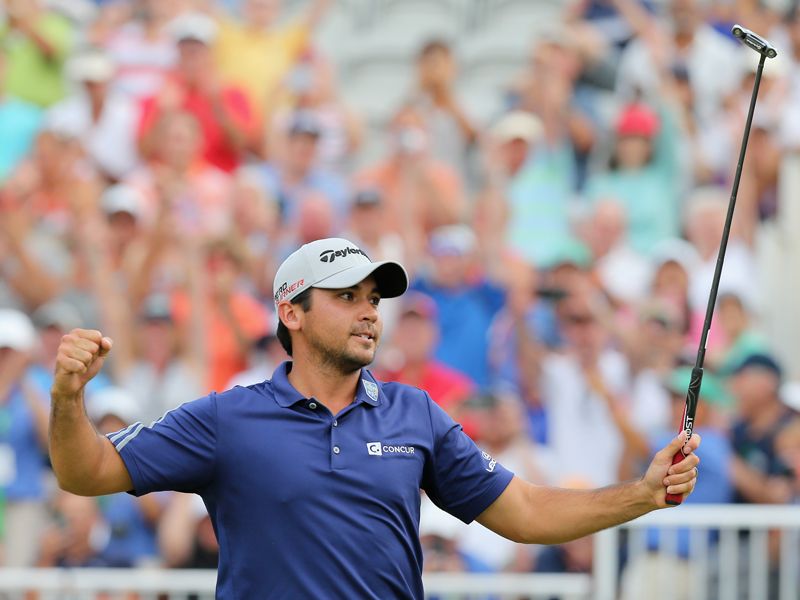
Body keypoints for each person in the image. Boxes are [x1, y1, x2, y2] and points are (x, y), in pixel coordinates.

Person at [48, 236, 700, 599]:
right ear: (292, 313)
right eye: (347, 297)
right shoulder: (228, 416)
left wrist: (641, 496)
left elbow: (526, 511)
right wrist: (68, 399)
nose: (369, 312)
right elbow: (88, 472)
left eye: (374, 298)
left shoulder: (415, 414)